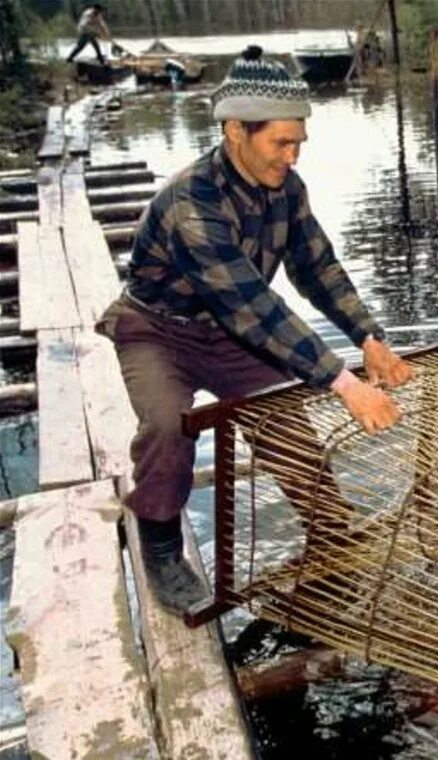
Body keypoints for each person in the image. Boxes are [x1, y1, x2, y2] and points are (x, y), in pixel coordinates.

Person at [96, 45, 413, 618]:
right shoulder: (191, 202)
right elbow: (251, 304)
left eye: (298, 145)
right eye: (280, 143)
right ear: (236, 130)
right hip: (159, 332)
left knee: (285, 422)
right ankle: (163, 548)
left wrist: (368, 336)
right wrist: (344, 383)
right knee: (169, 427)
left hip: (230, 332)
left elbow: (317, 266)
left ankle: (331, 536)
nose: (291, 157)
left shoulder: (287, 190)